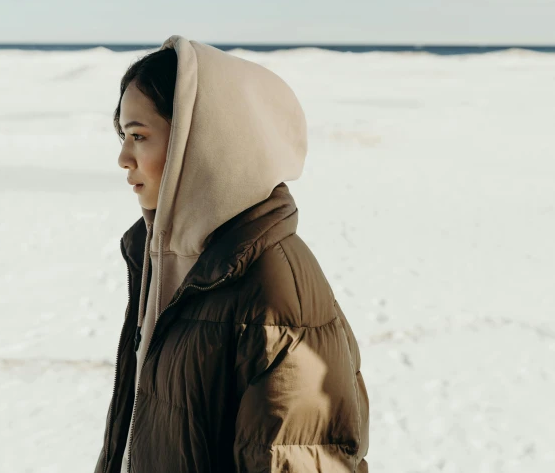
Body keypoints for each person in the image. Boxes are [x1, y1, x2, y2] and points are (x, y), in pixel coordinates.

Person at [93, 35, 369, 473]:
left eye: (139, 136)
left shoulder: (275, 295)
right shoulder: (171, 262)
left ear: (199, 142)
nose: (124, 157)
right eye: (123, 136)